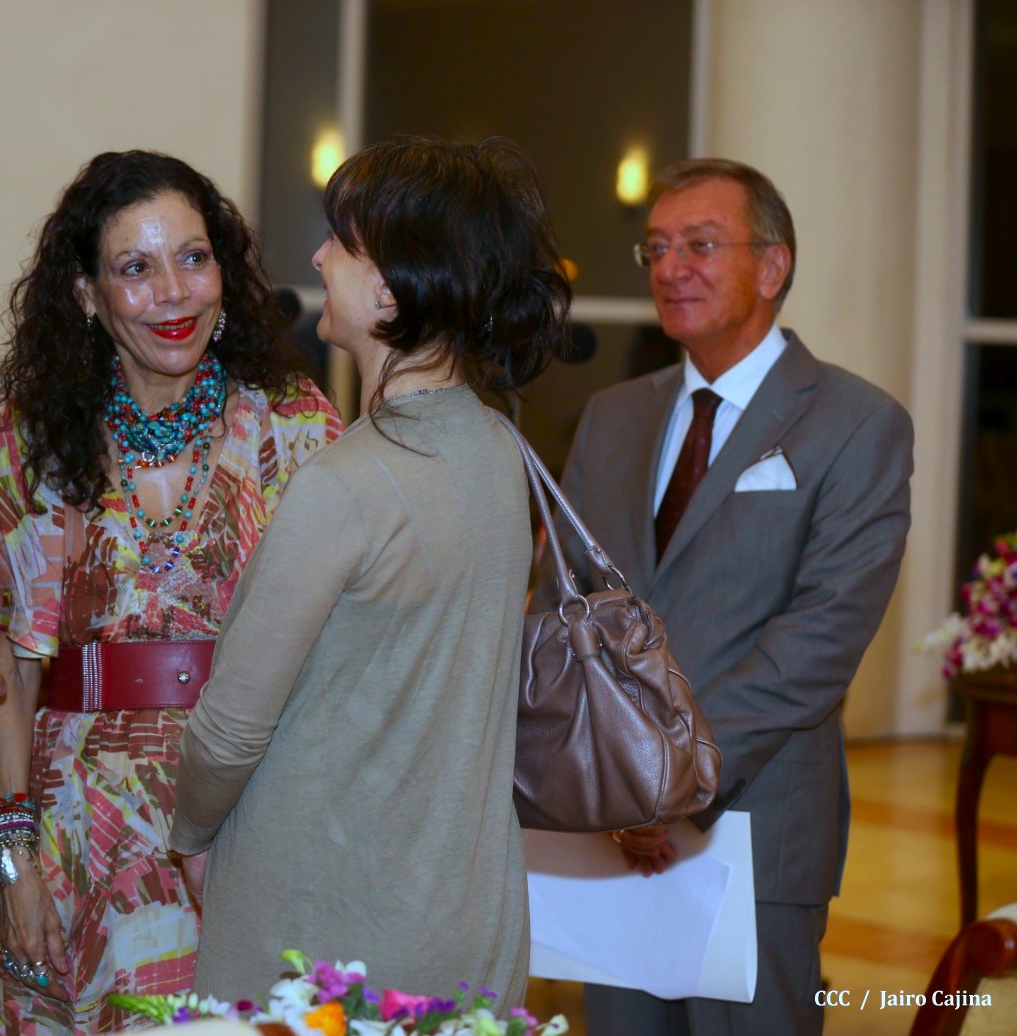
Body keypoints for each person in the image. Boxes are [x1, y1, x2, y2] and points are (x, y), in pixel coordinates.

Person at [0, 149, 341, 1033]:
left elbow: (347, 652)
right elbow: (6, 671)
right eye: (135, 268)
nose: (173, 292)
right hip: (76, 831)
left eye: (193, 258)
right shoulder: (32, 440)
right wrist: (14, 865)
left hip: (249, 818)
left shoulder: (294, 424)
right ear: (87, 295)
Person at [169, 136, 571, 1004]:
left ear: (390, 289)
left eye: (339, 243)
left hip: (332, 924)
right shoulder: (497, 449)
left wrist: (191, 834)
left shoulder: (344, 484)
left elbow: (232, 726)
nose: (318, 258)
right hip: (463, 904)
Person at [556, 159, 913, 1035]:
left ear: (772, 266)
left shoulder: (856, 424)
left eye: (701, 244)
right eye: (655, 248)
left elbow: (817, 642)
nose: (670, 267)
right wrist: (603, 780)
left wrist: (673, 779)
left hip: (753, 827)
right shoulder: (612, 416)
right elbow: (561, 604)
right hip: (613, 833)